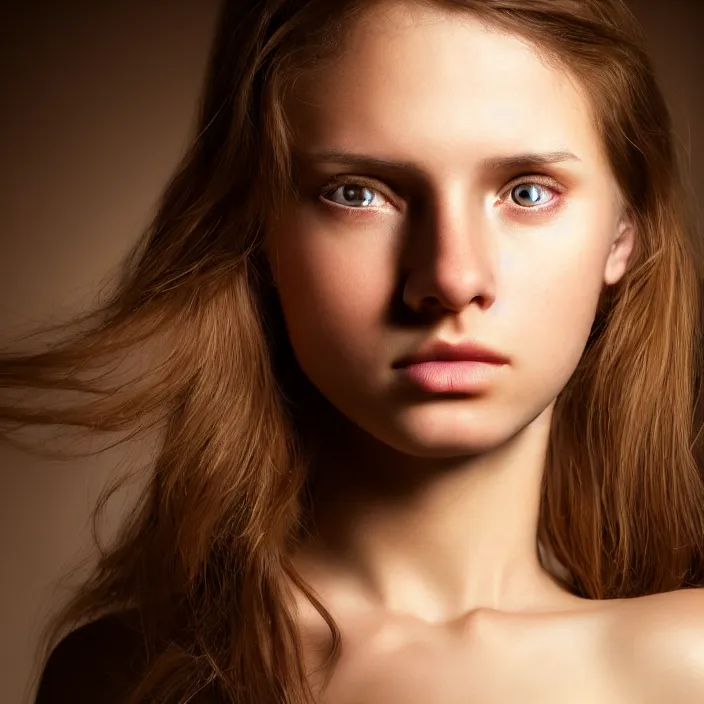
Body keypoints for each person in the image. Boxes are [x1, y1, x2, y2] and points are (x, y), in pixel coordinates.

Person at [4, 0, 704, 702]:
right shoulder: (118, 676)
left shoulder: (688, 663)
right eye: (358, 193)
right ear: (257, 230)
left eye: (527, 191)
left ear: (623, 234)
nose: (451, 279)